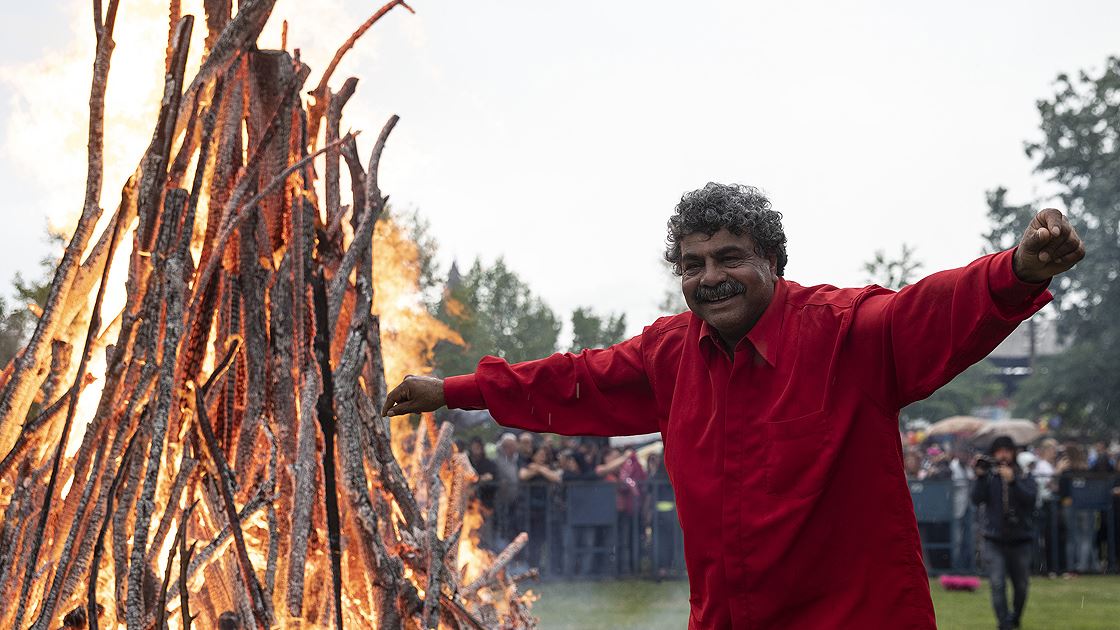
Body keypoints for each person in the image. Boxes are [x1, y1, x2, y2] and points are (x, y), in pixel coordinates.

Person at [382, 183, 1085, 629]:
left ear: (773, 263)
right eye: (693, 264)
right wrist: (453, 391)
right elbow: (570, 380)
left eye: (729, 258)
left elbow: (933, 309)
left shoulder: (847, 332)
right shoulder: (668, 355)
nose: (710, 277)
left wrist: (1018, 269)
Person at [971, 436, 1038, 630]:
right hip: (994, 539)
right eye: (999, 451)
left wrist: (1013, 481)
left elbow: (1030, 500)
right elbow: (976, 499)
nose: (1003, 455)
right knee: (997, 583)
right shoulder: (989, 476)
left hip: (1020, 539)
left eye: (1007, 450)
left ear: (1013, 452)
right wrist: (980, 476)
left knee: (1022, 586)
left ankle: (1015, 617)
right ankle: (1004, 623)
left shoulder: (1024, 474)